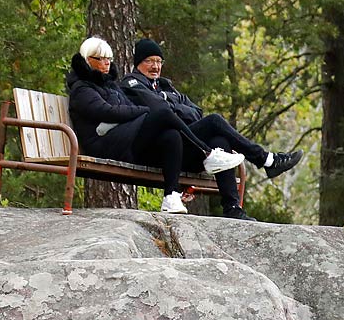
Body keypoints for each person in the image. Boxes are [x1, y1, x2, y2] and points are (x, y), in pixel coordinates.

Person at [121, 38, 303, 220]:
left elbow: (196, 113)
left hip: (180, 151)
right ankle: (266, 160)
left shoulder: (165, 86)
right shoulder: (131, 83)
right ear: (138, 63)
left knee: (219, 141)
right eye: (149, 61)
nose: (155, 66)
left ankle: (232, 207)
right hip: (155, 150)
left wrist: (168, 99)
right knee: (214, 120)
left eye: (159, 61)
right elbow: (161, 110)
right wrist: (171, 103)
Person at [65, 36, 232, 214]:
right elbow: (108, 111)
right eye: (101, 59)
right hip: (104, 145)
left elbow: (125, 109)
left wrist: (140, 110)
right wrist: (144, 110)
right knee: (163, 114)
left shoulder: (111, 86)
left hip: (121, 139)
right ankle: (207, 152)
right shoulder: (82, 89)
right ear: (87, 60)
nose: (106, 63)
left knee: (172, 135)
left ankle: (172, 196)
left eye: (109, 59)